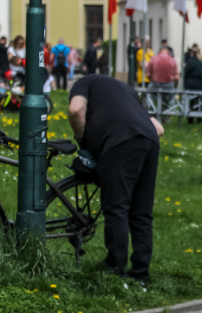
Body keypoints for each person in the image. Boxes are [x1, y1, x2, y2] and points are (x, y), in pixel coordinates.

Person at [68, 75, 163, 286]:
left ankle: (114, 268)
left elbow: (76, 110)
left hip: (119, 143)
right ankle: (140, 273)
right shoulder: (127, 91)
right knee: (141, 212)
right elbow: (158, 128)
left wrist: (82, 143)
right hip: (149, 141)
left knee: (117, 208)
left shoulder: (84, 83)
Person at [145, 45, 179, 119]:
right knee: (170, 96)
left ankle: (149, 111)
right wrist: (174, 87)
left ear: (159, 51)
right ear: (168, 52)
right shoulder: (172, 60)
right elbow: (176, 77)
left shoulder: (153, 59)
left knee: (148, 94)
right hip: (168, 86)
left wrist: (152, 80)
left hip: (155, 85)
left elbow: (147, 74)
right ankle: (167, 115)